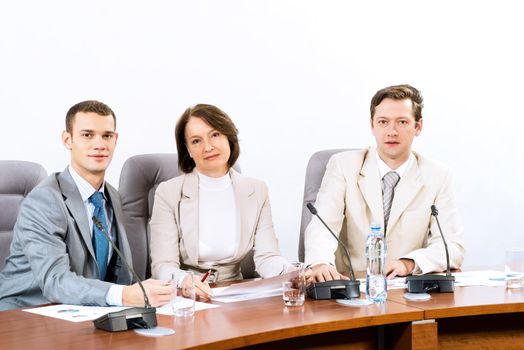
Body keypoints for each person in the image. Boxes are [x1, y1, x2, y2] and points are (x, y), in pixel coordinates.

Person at [0, 101, 173, 310]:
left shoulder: (112, 197)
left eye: (107, 136)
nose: (99, 144)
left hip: (83, 311)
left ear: (115, 140)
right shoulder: (44, 200)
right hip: (28, 312)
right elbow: (55, 280)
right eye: (87, 135)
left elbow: (116, 274)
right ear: (67, 140)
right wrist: (125, 295)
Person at [304, 84, 465, 283]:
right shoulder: (343, 166)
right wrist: (320, 262)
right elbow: (323, 224)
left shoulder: (437, 175)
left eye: (402, 122)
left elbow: (452, 247)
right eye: (383, 122)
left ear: (418, 126)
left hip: (406, 288)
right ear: (372, 125)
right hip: (350, 286)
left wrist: (408, 263)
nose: (392, 131)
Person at [150, 104, 289, 298]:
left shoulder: (256, 190)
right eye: (196, 141)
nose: (208, 147)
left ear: (229, 137)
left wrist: (293, 272)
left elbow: (267, 257)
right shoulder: (169, 192)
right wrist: (184, 281)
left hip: (237, 294)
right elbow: (162, 265)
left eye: (215, 135)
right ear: (188, 150)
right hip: (187, 297)